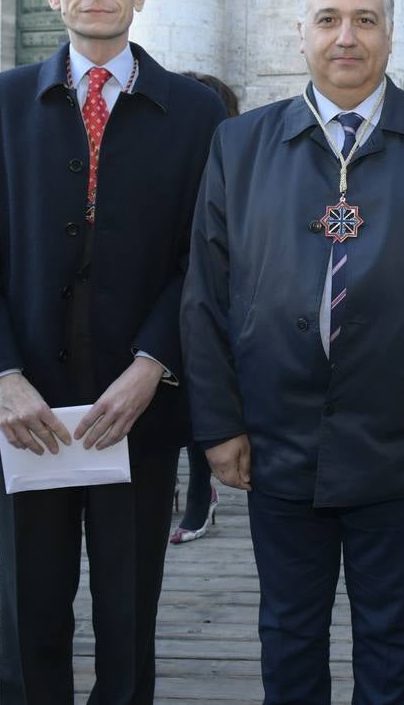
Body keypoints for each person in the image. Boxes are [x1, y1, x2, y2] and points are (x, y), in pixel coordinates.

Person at [181, 0, 404, 704]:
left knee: (391, 641)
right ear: (301, 33)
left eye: (365, 19)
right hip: (275, 440)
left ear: (391, 32)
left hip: (399, 434)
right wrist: (219, 426)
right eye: (328, 19)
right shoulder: (240, 145)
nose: (347, 37)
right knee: (289, 634)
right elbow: (206, 295)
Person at [0, 0, 226, 704]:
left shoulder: (196, 115)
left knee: (129, 615)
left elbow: (207, 258)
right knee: (30, 614)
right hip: (25, 410)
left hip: (139, 410)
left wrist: (153, 365)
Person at [166, 73, 240, 546]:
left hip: (210, 290)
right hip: (164, 287)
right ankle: (178, 487)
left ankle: (199, 493)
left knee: (199, 390)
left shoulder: (232, 159)